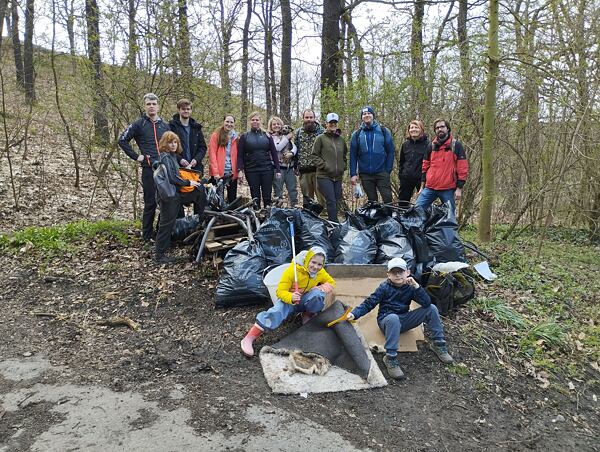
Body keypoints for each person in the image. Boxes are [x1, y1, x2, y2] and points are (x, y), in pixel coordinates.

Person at [346, 257, 453, 380]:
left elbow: (426, 303)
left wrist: (417, 287)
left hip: (404, 319)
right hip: (387, 321)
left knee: (432, 308)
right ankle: (390, 358)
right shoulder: (384, 287)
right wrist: (354, 314)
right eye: (393, 272)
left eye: (400, 272)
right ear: (388, 275)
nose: (397, 275)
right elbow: (369, 303)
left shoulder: (411, 286)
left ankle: (438, 344)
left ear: (407, 272)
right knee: (393, 318)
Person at [240, 247, 336, 357]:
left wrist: (320, 288)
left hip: (304, 299)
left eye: (320, 264)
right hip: (289, 300)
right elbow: (280, 291)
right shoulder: (292, 271)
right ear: (307, 259)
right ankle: (249, 338)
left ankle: (307, 315)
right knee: (276, 312)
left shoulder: (320, 273)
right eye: (313, 262)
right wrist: (291, 297)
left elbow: (331, 283)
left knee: (318, 295)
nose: (316, 267)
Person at [118, 93, 170, 242]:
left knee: (167, 201)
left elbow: (173, 145)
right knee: (150, 203)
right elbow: (122, 140)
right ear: (145, 106)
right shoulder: (139, 124)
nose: (151, 106)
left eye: (154, 104)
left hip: (165, 169)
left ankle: (161, 233)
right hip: (149, 169)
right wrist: (137, 156)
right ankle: (146, 236)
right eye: (148, 104)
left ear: (158, 106)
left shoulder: (165, 125)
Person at [154, 132, 206, 264]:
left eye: (175, 142)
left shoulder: (172, 156)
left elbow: (177, 174)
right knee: (166, 224)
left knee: (200, 191)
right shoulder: (165, 156)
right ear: (165, 143)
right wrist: (189, 183)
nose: (173, 145)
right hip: (168, 196)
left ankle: (202, 222)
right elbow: (172, 178)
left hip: (175, 194)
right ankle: (159, 255)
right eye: (170, 142)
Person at [415, 118, 469, 216]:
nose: (440, 129)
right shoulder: (431, 146)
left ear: (447, 128)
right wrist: (422, 187)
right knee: (416, 211)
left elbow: (462, 167)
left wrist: (459, 188)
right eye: (437, 128)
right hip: (430, 187)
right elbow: (425, 166)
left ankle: (450, 232)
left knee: (450, 217)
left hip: (448, 189)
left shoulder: (455, 145)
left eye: (442, 127)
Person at [349, 106, 395, 204]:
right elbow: (353, 155)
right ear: (361, 117)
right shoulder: (357, 134)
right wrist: (353, 174)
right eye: (364, 114)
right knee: (372, 202)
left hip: (382, 172)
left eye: (369, 113)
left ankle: (389, 218)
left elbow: (391, 151)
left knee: (388, 199)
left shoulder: (384, 131)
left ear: (373, 116)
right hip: (365, 174)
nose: (367, 115)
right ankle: (375, 219)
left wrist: (388, 169)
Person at [237, 112, 281, 209]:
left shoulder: (267, 136)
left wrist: (278, 169)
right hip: (251, 170)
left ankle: (267, 215)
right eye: (253, 120)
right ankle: (257, 215)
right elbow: (240, 155)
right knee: (255, 196)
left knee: (267, 195)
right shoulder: (244, 136)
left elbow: (274, 153)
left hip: (267, 169)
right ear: (250, 122)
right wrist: (240, 170)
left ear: (260, 121)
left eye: (257, 120)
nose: (255, 121)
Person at [313, 112, 347, 222]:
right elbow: (314, 155)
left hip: (338, 177)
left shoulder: (341, 140)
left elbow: (344, 155)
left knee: (336, 200)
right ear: (326, 124)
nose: (333, 124)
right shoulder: (320, 138)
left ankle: (333, 222)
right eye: (330, 122)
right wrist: (324, 166)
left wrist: (343, 166)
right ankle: (334, 224)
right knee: (331, 200)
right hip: (324, 176)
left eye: (335, 122)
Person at [295, 109, 325, 207]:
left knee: (322, 198)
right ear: (303, 118)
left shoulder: (322, 132)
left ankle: (324, 218)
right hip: (304, 171)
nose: (309, 119)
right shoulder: (298, 132)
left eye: (311, 117)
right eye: (306, 117)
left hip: (319, 171)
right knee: (307, 200)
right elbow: (295, 149)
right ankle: (308, 218)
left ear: (314, 118)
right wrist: (295, 166)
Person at [169, 99, 207, 173]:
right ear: (179, 110)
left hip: (195, 169)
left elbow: (202, 147)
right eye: (183, 109)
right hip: (177, 168)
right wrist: (180, 159)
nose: (186, 111)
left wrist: (196, 159)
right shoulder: (171, 126)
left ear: (191, 110)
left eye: (188, 109)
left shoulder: (196, 127)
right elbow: (167, 147)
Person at [268, 116, 298, 207]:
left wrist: (292, 153)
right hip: (277, 168)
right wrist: (287, 138)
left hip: (289, 168)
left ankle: (294, 208)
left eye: (278, 124)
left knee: (293, 190)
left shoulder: (286, 137)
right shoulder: (270, 137)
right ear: (271, 126)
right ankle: (278, 210)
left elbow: (295, 147)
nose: (276, 126)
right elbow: (277, 148)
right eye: (274, 124)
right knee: (278, 191)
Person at [208, 114, 239, 204]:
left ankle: (230, 217)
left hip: (231, 173)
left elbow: (238, 156)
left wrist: (238, 171)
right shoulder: (216, 136)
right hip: (219, 173)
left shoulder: (236, 138)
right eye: (227, 121)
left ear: (234, 124)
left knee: (232, 199)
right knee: (217, 199)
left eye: (231, 122)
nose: (229, 124)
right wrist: (215, 173)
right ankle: (217, 217)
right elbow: (212, 154)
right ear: (223, 122)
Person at [398, 120, 429, 205]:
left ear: (421, 130)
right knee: (402, 203)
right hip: (406, 178)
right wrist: (401, 175)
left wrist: (426, 179)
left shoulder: (428, 145)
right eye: (411, 128)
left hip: (422, 179)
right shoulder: (405, 145)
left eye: (416, 127)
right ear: (408, 130)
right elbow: (401, 162)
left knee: (423, 205)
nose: (413, 129)